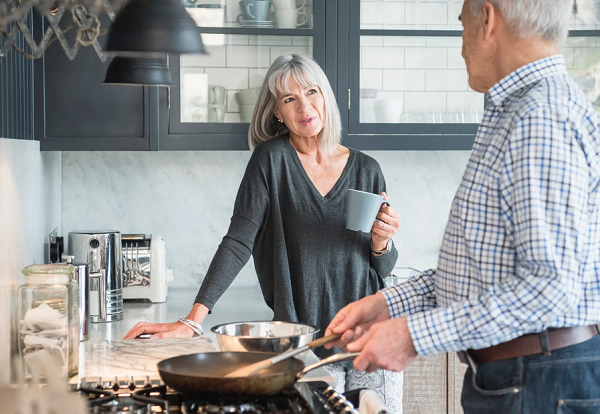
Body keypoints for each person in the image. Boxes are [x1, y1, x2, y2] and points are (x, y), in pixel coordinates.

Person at [324, 1, 600, 413]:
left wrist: (413, 336)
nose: (461, 47)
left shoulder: (540, 117)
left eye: (461, 26)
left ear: (487, 20)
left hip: (537, 382)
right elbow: (484, 270)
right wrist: (388, 304)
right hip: (521, 376)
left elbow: (547, 289)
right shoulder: (520, 110)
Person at [124, 52, 404, 412]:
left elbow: (380, 267)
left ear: (326, 95)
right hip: (302, 349)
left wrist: (383, 243)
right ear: (276, 111)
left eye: (312, 92)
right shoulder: (271, 162)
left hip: (370, 338)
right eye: (290, 99)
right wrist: (192, 321)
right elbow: (239, 241)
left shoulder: (368, 169)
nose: (306, 106)